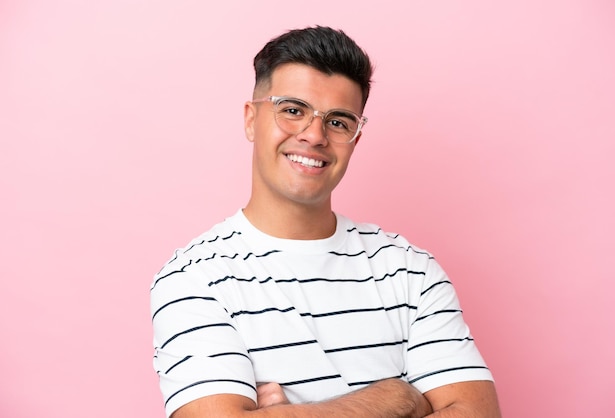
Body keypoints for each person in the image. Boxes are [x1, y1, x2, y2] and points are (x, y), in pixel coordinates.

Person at [150, 26, 501, 417]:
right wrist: (394, 399)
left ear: (355, 138)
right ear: (251, 120)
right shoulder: (193, 279)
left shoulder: (409, 269)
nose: (314, 135)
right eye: (293, 110)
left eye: (338, 121)